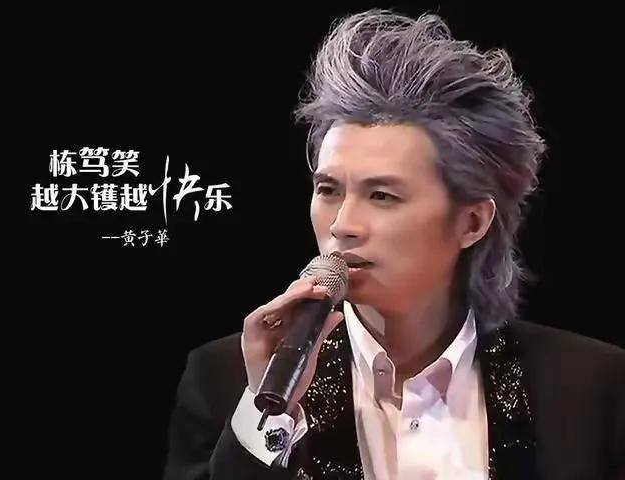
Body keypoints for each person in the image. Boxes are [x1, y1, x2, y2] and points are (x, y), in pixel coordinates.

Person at [162, 9, 625, 480]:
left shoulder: (591, 387)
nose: (343, 225)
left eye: (382, 196)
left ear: (471, 222)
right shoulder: (230, 380)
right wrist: (270, 415)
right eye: (328, 190)